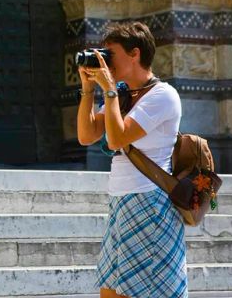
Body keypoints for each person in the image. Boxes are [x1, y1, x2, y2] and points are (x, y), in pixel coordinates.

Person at [76, 21, 187, 298]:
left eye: (110, 54)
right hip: (120, 200)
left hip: (148, 201)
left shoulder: (163, 95)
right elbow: (86, 135)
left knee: (136, 293)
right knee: (110, 292)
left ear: (134, 53)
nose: (106, 62)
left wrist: (110, 89)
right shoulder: (123, 94)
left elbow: (116, 139)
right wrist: (89, 89)